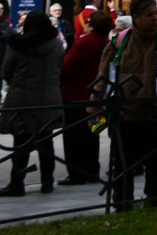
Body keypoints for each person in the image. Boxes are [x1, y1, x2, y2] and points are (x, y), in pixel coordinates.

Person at [92, 0, 157, 211]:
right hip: (124, 113)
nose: (155, 18)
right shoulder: (120, 41)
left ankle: (154, 199)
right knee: (122, 161)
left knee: (155, 158)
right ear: (135, 18)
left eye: (156, 14)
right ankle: (122, 201)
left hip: (156, 112)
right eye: (149, 15)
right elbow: (104, 75)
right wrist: (96, 107)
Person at [0, 10, 64, 196]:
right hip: (49, 99)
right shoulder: (57, 44)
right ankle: (47, 181)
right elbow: (60, 66)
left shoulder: (18, 45)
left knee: (21, 143)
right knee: (46, 142)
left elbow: (5, 71)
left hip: (23, 100)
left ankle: (17, 183)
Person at [60, 10, 112, 185]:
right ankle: (92, 170)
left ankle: (77, 173)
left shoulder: (84, 43)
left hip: (77, 94)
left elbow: (67, 68)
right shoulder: (107, 43)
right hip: (96, 95)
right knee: (91, 134)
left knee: (73, 136)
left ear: (92, 25)